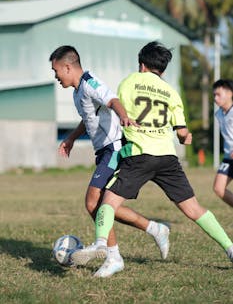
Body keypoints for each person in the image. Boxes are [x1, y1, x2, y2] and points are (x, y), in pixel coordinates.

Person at [71, 41, 233, 271]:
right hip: (167, 157)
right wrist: (185, 137)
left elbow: (116, 108)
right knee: (194, 209)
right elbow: (182, 132)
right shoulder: (171, 92)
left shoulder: (129, 82)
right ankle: (229, 248)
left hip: (139, 154)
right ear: (163, 69)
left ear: (142, 65)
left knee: (108, 201)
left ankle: (100, 244)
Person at [49, 45, 170, 278]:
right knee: (107, 207)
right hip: (103, 151)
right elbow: (88, 118)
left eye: (56, 71)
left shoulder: (89, 81)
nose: (56, 77)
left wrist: (123, 115)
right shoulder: (77, 92)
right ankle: (155, 228)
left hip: (114, 148)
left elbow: (112, 99)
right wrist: (72, 138)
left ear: (67, 66)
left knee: (92, 201)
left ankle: (112, 255)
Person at [213, 79, 233, 207]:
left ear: (230, 94)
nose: (215, 98)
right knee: (218, 189)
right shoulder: (218, 113)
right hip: (228, 157)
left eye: (218, 94)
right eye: (214, 95)